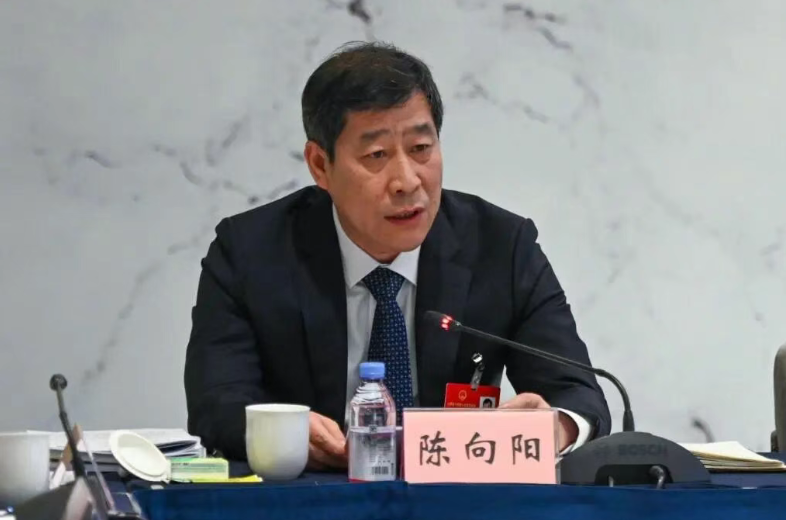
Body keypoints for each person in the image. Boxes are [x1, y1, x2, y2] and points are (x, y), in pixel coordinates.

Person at [184, 41, 611, 470]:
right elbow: (216, 405)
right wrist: (284, 431)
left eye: (421, 148)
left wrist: (556, 427)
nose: (407, 181)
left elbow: (579, 395)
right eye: (376, 155)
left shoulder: (502, 246)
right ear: (320, 165)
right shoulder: (251, 252)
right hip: (312, 495)